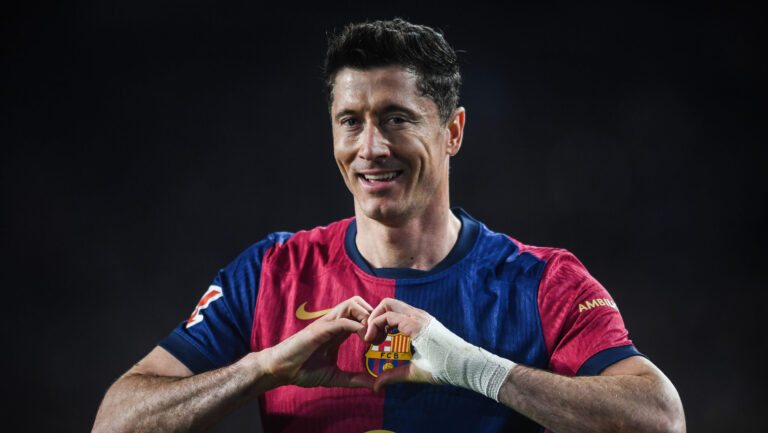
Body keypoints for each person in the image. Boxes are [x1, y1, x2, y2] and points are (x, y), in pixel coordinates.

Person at [92, 19, 685, 433]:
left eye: (396, 118)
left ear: (452, 132)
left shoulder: (542, 281)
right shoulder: (270, 272)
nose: (370, 147)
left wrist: (469, 368)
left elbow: (659, 419)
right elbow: (116, 420)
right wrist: (259, 369)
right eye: (350, 121)